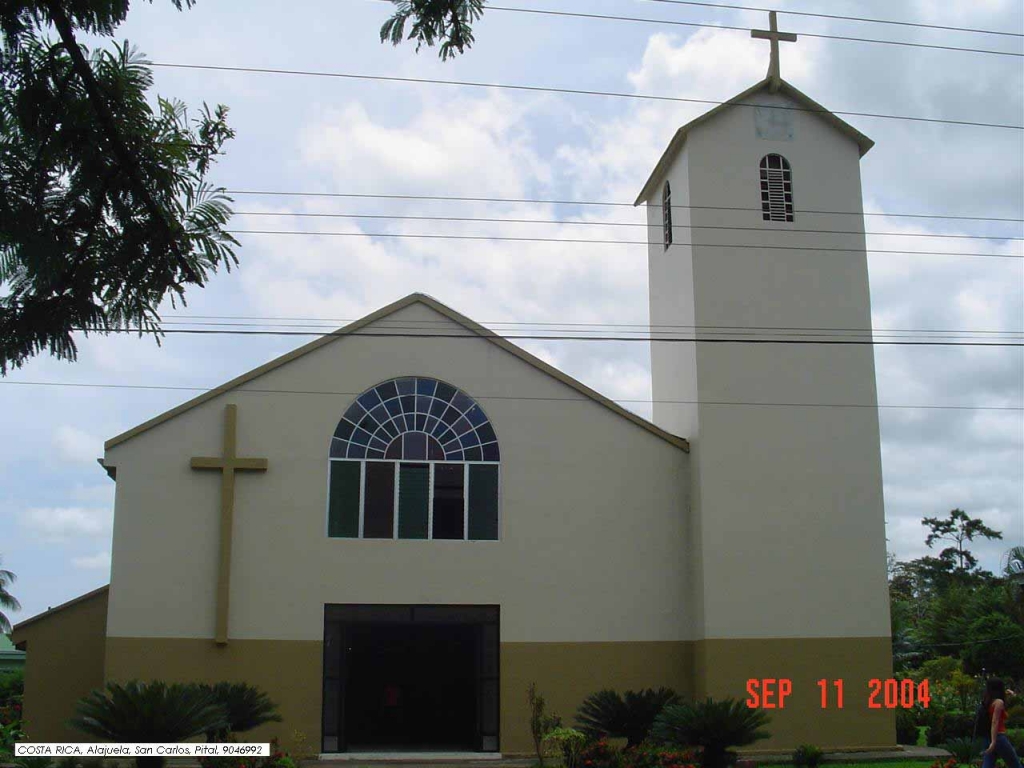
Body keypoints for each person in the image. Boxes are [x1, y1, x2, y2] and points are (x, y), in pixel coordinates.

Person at [981, 678, 1022, 768]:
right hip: (998, 737)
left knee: (988, 764)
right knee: (1015, 764)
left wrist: (1010, 695)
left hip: (988, 737)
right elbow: (995, 722)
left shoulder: (987, 702)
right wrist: (994, 741)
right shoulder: (999, 702)